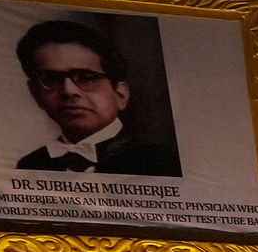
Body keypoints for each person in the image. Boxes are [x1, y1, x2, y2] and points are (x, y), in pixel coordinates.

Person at [10, 16, 183, 176]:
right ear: (35, 93)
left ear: (120, 94)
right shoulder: (31, 166)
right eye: (52, 80)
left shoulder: (161, 161)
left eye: (86, 78)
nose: (69, 91)